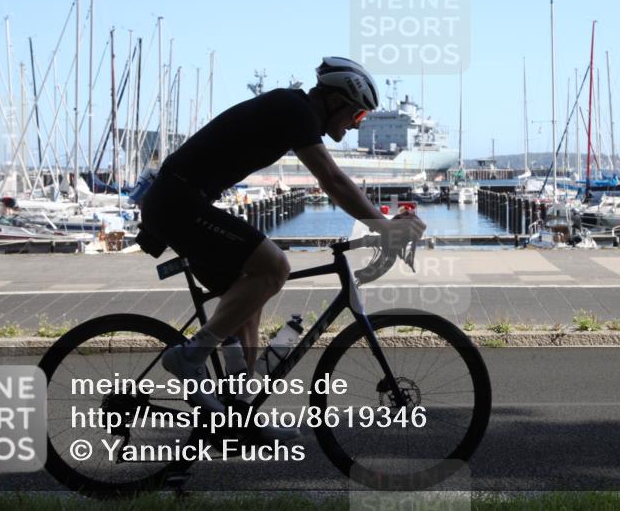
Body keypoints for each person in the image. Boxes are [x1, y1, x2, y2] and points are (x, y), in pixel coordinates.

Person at [139, 57, 426, 437]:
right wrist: (385, 226)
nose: (357, 124)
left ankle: (237, 415)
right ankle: (191, 356)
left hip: (181, 202)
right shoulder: (295, 110)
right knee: (276, 267)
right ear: (337, 100)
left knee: (249, 297)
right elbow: (333, 180)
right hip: (178, 203)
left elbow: (333, 180)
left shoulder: (293, 111)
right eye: (357, 115)